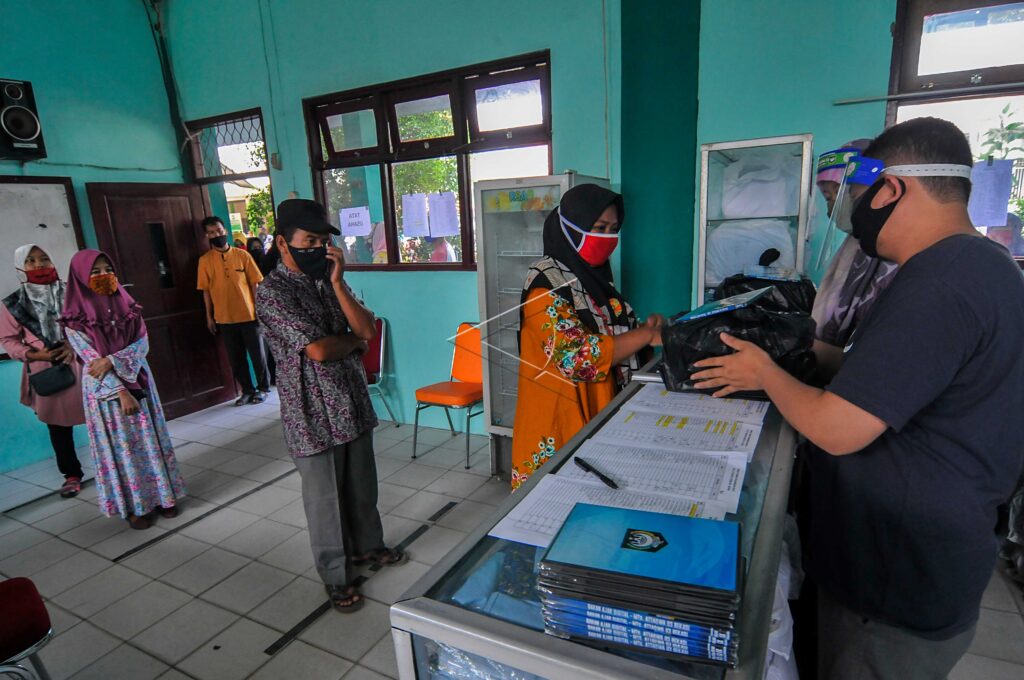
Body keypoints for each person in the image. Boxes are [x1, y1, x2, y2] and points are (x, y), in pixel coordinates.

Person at [691, 117, 1024, 680]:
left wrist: (765, 373)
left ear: (892, 188)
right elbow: (900, 382)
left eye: (854, 197)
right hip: (931, 558)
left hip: (894, 585)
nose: (846, 215)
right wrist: (800, 354)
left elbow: (838, 428)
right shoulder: (985, 265)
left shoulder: (939, 283)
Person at [256, 198, 404, 612]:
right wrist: (351, 344)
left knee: (361, 485)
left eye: (323, 241)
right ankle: (336, 575)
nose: (318, 248)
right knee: (324, 500)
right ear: (284, 244)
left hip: (350, 400)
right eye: (309, 240)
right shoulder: (271, 293)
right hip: (311, 412)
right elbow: (319, 351)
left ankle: (367, 547)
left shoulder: (328, 281)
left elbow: (366, 329)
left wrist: (339, 283)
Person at [511, 185, 663, 489]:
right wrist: (645, 336)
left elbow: (617, 332)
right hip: (561, 420)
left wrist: (643, 330)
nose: (607, 238)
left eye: (613, 229)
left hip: (600, 408)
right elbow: (578, 357)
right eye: (598, 228)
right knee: (555, 509)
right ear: (571, 228)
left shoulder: (594, 280)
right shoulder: (545, 285)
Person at [62, 249, 185, 530]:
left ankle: (164, 496)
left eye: (108, 269)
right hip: (108, 393)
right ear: (80, 278)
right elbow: (92, 363)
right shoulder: (74, 319)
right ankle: (135, 506)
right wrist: (121, 390)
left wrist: (113, 360)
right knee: (123, 449)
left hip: (139, 378)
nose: (104, 275)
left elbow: (143, 343)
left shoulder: (128, 305)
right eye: (95, 271)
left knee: (150, 440)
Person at [0, 245, 87, 497]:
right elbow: (8, 340)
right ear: (20, 268)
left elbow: (89, 322)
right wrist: (38, 354)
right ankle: (71, 474)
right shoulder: (13, 304)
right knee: (58, 426)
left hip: (81, 361)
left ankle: (111, 463)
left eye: (44, 258)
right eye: (31, 261)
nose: (39, 265)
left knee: (99, 416)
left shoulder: (73, 292)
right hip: (46, 369)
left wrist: (73, 344)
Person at [811, 141, 899, 380]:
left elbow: (876, 365)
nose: (830, 209)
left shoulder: (889, 255)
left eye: (833, 197)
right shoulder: (854, 245)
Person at [198, 216, 271, 406]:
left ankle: (263, 389)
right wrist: (209, 317)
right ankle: (247, 390)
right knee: (236, 358)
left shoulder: (242, 255)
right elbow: (205, 290)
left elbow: (255, 284)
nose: (217, 235)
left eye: (219, 231)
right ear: (207, 235)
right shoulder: (205, 261)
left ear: (226, 231)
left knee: (258, 354)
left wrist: (258, 309)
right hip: (224, 318)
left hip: (249, 315)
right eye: (212, 233)